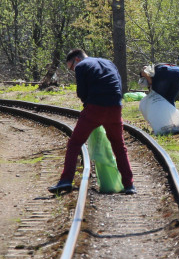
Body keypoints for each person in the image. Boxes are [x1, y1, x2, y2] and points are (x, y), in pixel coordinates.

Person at [48, 49, 136, 195]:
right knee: (119, 146)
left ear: (76, 59)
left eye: (71, 68)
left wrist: (88, 104)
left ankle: (66, 180)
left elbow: (81, 93)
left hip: (95, 108)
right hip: (115, 106)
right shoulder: (108, 62)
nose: (73, 70)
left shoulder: (82, 66)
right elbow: (119, 85)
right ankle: (129, 185)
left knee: (74, 143)